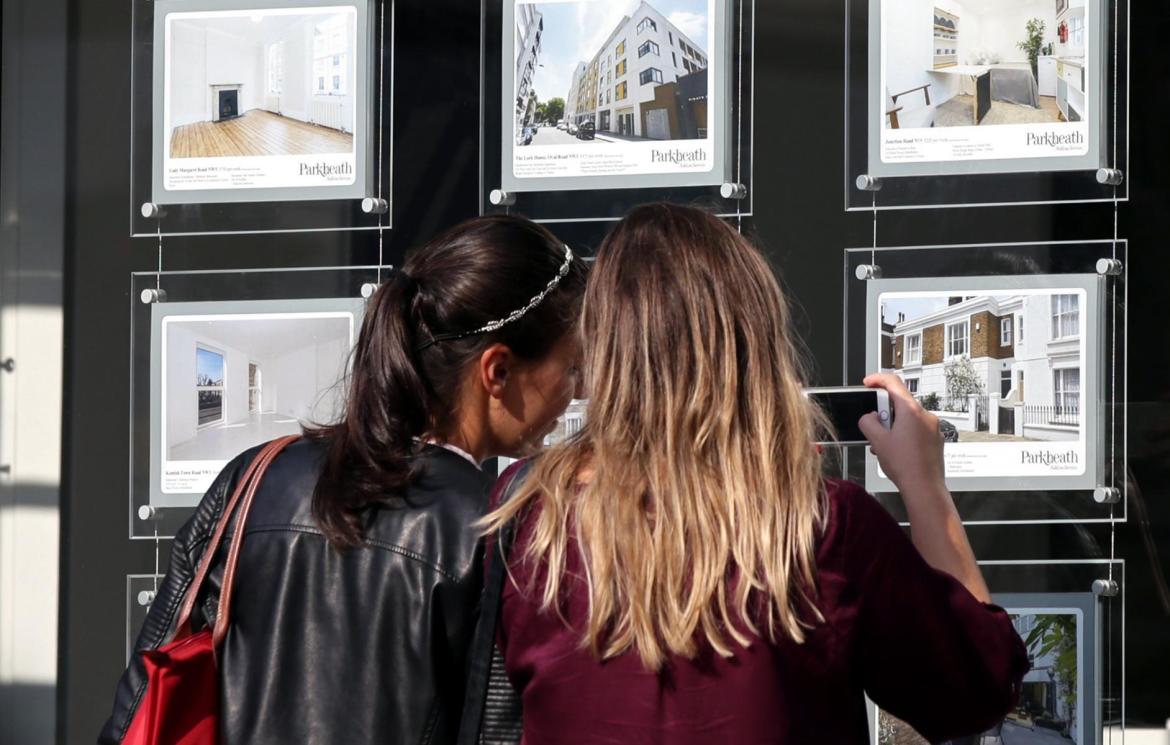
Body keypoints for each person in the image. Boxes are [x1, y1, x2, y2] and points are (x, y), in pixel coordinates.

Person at [483, 203, 1030, 744]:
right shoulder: (825, 526)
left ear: (601, 348)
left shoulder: (525, 510)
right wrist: (925, 486)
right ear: (756, 344)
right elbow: (977, 688)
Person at [100, 215, 588, 745]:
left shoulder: (254, 475)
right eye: (570, 369)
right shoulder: (495, 524)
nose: (572, 393)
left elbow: (138, 705)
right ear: (497, 370)